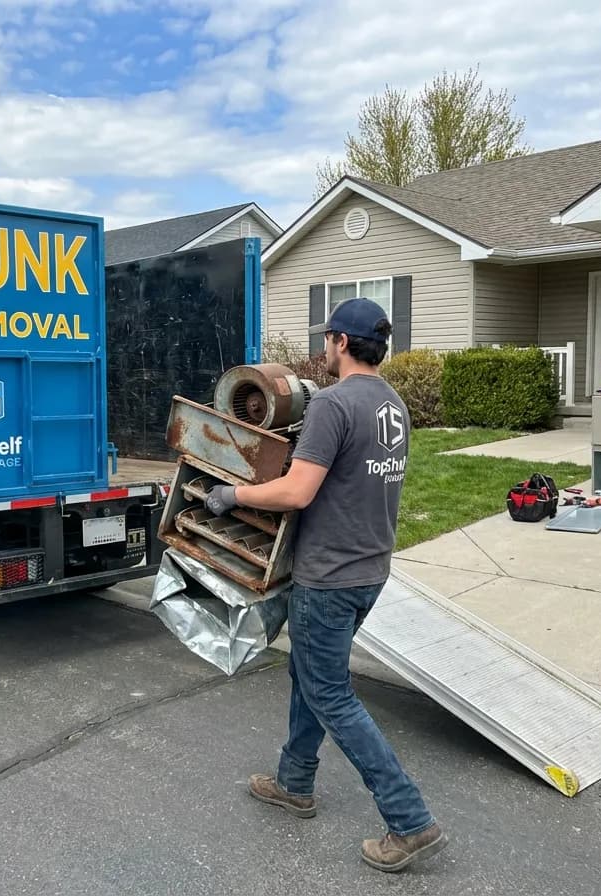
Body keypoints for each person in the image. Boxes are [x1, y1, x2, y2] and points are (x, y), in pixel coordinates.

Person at [204, 297, 446, 873]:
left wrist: (231, 495)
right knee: (311, 675)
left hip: (329, 576)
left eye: (327, 339)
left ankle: (409, 819)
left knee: (329, 691)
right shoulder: (394, 404)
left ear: (339, 342)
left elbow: (296, 491)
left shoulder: (333, 406)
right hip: (370, 569)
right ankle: (295, 782)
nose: (324, 347)